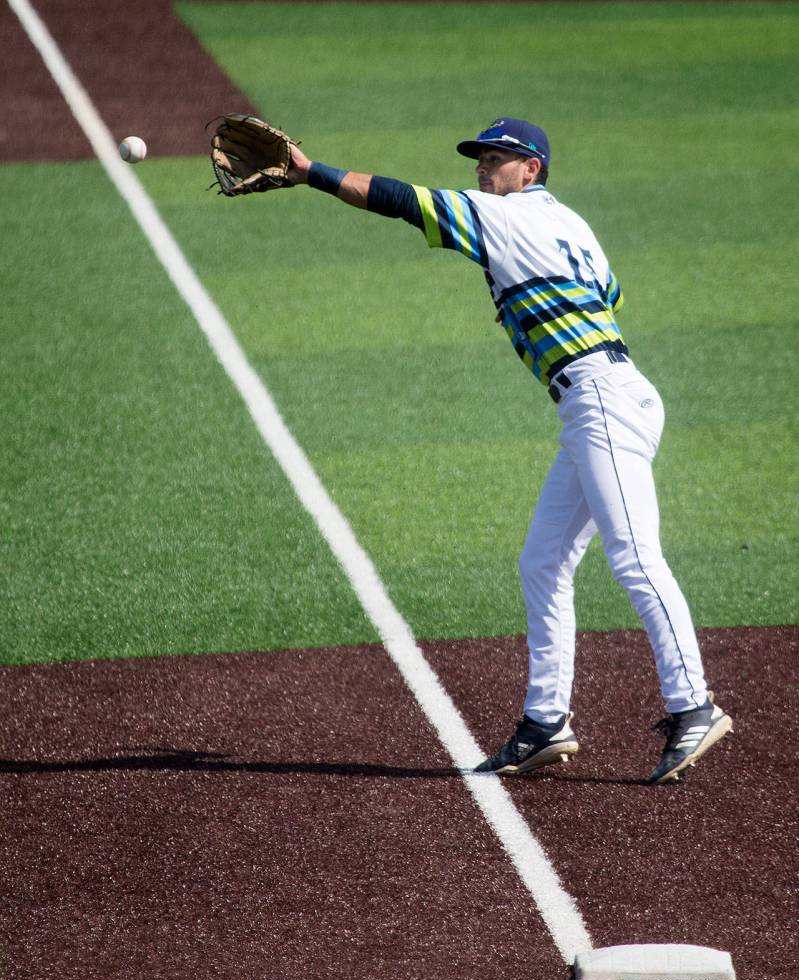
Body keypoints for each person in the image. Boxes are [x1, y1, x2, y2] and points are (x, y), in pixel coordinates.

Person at [284, 116, 733, 784]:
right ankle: (545, 720)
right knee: (542, 561)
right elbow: (603, 297)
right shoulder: (573, 223)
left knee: (635, 556)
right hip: (607, 394)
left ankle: (692, 703)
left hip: (600, 400)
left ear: (531, 168)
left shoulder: (502, 216)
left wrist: (309, 171)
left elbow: (398, 200)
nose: (480, 167)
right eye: (479, 158)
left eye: (495, 156)